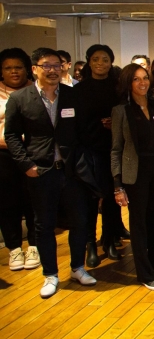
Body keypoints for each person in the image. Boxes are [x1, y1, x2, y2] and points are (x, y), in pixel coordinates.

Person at [5, 47, 93, 298]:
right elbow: (11, 135)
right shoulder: (20, 99)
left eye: (57, 65)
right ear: (34, 69)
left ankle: (78, 267)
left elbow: (82, 131)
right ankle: (50, 274)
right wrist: (26, 165)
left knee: (80, 221)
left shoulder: (71, 95)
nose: (53, 70)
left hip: (72, 171)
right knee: (44, 225)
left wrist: (81, 163)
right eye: (47, 65)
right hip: (41, 171)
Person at [111, 64, 154, 291]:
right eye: (136, 79)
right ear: (128, 83)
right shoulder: (121, 111)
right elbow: (116, 149)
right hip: (135, 172)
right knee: (139, 224)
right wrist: (117, 184)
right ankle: (145, 273)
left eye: (145, 78)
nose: (142, 83)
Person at [75, 44, 124, 267]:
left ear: (111, 62)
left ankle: (110, 239)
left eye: (105, 59)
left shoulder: (118, 89)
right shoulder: (79, 90)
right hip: (89, 150)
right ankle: (90, 244)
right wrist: (98, 125)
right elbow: (75, 123)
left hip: (113, 149)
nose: (100, 64)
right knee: (91, 200)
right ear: (89, 61)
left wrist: (115, 125)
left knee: (112, 199)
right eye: (96, 59)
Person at [0, 48, 37, 271]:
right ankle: (14, 248)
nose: (14, 71)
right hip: (3, 155)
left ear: (27, 69)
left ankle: (34, 245)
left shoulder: (36, 90)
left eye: (18, 67)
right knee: (7, 203)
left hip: (32, 153)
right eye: (8, 68)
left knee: (33, 201)